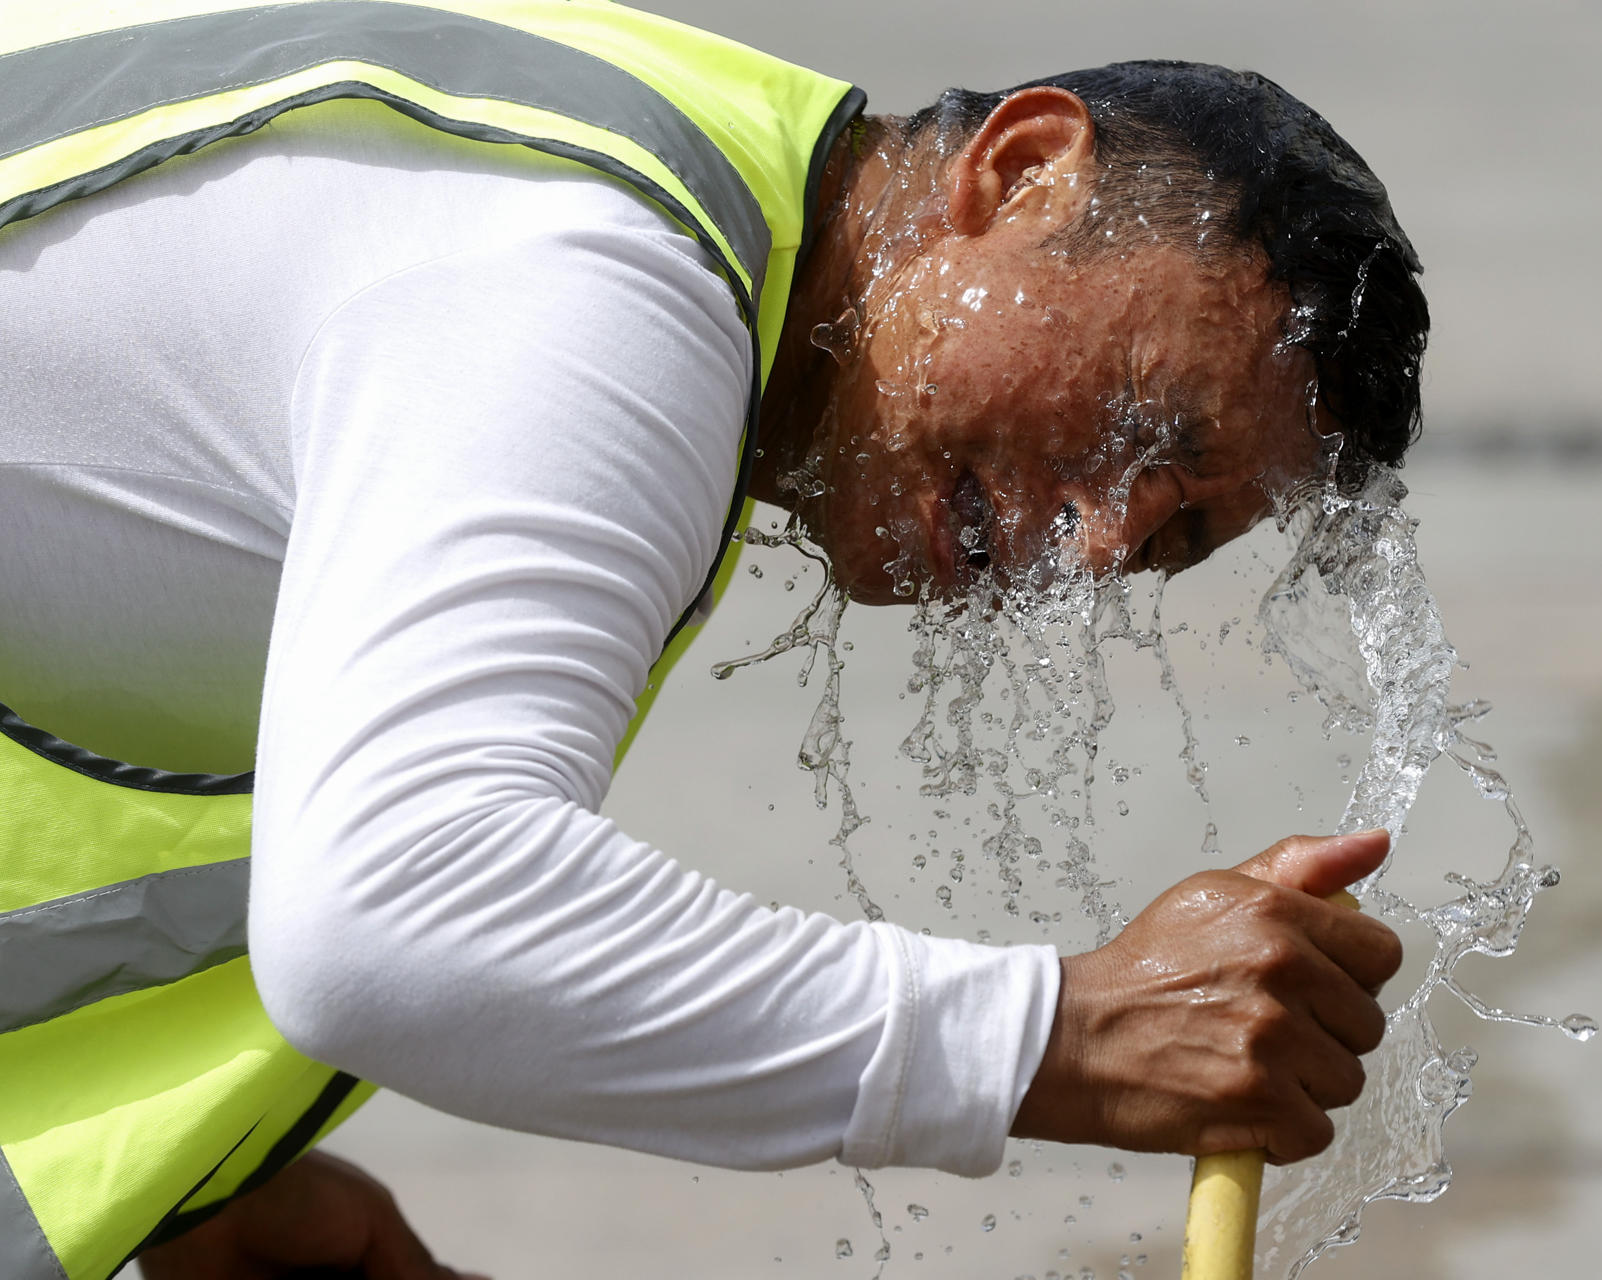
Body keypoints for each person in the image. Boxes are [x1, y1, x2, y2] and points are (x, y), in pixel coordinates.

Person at [0, 4, 1424, 1276]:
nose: (1102, 544)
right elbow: (390, 913)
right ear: (1023, 170)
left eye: (1170, 541)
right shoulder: (611, 279)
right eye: (1138, 423)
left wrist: (210, 1199)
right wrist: (1059, 1036)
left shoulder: (651, 180)